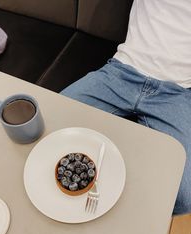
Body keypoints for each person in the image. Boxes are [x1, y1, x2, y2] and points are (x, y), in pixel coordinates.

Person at [60, 0, 191, 215]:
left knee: (185, 196)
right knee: (52, 118)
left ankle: (121, 216)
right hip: (120, 73)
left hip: (176, 93)